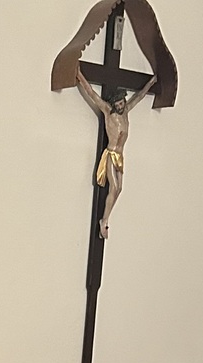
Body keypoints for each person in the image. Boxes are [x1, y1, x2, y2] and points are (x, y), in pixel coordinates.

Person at [75, 68, 157, 237]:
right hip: (111, 154)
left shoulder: (126, 111)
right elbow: (92, 94)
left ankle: (106, 218)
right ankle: (104, 221)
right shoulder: (108, 112)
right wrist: (79, 75)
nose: (120, 106)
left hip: (120, 156)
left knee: (120, 189)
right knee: (114, 187)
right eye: (117, 104)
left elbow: (139, 96)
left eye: (121, 103)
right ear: (112, 105)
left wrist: (151, 82)